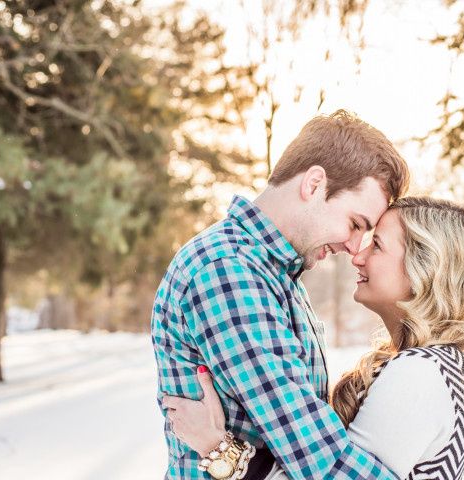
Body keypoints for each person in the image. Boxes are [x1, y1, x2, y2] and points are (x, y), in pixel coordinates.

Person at [164, 196, 464, 480]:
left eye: (377, 246)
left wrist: (219, 450)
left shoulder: (421, 372)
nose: (357, 256)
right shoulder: (439, 364)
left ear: (426, 270)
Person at [151, 109, 410, 479]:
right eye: (355, 224)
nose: (355, 248)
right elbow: (315, 455)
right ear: (314, 183)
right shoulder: (228, 271)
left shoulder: (276, 274)